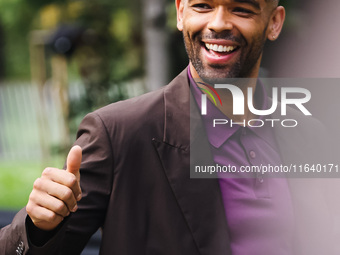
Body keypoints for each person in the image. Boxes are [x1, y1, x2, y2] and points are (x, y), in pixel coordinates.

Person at [0, 0, 338, 254]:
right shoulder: (119, 134)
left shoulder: (310, 135)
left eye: (242, 9)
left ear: (274, 22)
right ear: (180, 12)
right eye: (203, 5)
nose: (218, 23)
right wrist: (37, 227)